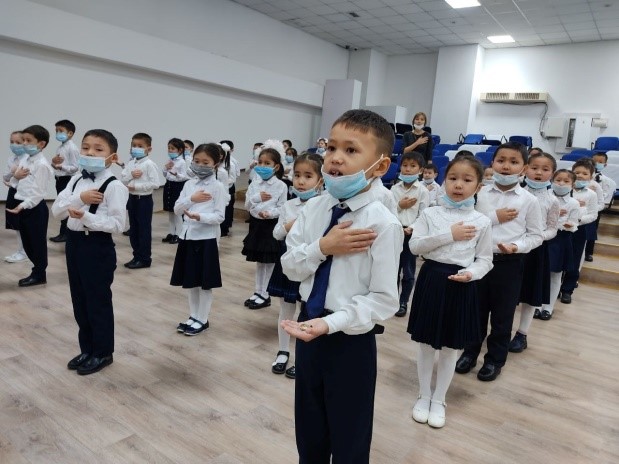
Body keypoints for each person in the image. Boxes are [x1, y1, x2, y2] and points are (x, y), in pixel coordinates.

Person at [280, 109, 403, 463]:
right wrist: (323, 247)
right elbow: (290, 267)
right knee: (310, 430)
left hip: (350, 340)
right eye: (331, 147)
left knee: (350, 437)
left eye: (351, 150)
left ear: (380, 166)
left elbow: (384, 300)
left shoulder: (383, 224)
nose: (335, 157)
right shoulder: (314, 209)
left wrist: (331, 323)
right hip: (308, 327)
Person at [408, 155, 492, 428]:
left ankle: (439, 399)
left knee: (449, 347)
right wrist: (449, 235)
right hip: (432, 278)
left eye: (467, 180)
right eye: (453, 178)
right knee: (425, 344)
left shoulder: (482, 221)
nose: (458, 185)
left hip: (461, 283)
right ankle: (424, 394)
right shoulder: (430, 213)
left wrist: (472, 274)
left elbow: (485, 259)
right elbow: (415, 246)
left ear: (478, 186)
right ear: (444, 180)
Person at [456, 142, 543, 382]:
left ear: (524, 168)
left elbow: (536, 235)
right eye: (501, 160)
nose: (506, 166)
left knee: (502, 316)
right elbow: (467, 221)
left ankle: (494, 359)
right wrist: (494, 217)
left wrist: (517, 246)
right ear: (492, 163)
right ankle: (469, 352)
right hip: (478, 260)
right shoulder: (479, 193)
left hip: (509, 263)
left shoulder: (529, 200)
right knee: (475, 311)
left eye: (514, 162)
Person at [51, 128, 128, 375]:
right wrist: (80, 199)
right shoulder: (76, 179)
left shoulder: (114, 186)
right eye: (85, 147)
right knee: (79, 300)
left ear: (112, 157)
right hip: (74, 243)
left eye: (98, 149)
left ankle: (103, 352)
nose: (90, 152)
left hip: (96, 246)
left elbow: (118, 225)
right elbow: (57, 211)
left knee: (97, 301)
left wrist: (86, 217)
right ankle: (87, 348)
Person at [268, 153, 323, 379]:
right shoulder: (289, 205)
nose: (301, 181)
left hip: (312, 263)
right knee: (286, 308)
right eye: (297, 175)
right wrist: (290, 225)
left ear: (320, 180)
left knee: (307, 311)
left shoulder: (323, 206)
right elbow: (276, 233)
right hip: (289, 260)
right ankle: (283, 351)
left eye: (308, 176)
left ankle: (303, 357)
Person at [171, 143, 227, 336]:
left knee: (204, 282)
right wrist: (191, 199)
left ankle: (202, 319)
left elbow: (220, 216)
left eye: (205, 162)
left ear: (215, 164)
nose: (200, 165)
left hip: (206, 239)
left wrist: (200, 217)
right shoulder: (189, 184)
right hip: (187, 236)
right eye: (196, 161)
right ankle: (193, 315)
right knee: (191, 280)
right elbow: (177, 209)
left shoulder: (218, 187)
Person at [509, 152, 559, 353]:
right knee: (509, 293)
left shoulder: (552, 200)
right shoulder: (516, 193)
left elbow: (552, 229)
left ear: (552, 173)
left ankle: (522, 334)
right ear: (525, 169)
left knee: (530, 294)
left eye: (545, 169)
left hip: (536, 251)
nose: (538, 173)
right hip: (513, 249)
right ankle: (501, 330)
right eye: (534, 168)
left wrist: (534, 237)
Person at [242, 143, 288, 309]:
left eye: (267, 163)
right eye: (260, 162)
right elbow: (248, 205)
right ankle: (258, 291)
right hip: (257, 225)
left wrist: (269, 213)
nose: (262, 166)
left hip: (271, 226)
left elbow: (283, 208)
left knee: (269, 263)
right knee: (259, 263)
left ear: (276, 166)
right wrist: (257, 200)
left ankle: (265, 294)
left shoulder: (281, 185)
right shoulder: (254, 183)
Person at [7, 125, 54, 287]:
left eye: (28, 140)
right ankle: (36, 271)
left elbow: (38, 192)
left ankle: (40, 274)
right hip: (23, 205)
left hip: (34, 208)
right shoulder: (25, 158)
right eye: (23, 140)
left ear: (41, 144)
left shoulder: (42, 165)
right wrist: (15, 178)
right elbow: (17, 181)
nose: (24, 144)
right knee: (27, 242)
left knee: (36, 243)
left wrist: (23, 205)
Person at [536, 169, 580, 320]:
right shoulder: (544, 197)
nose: (561, 184)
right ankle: (536, 305)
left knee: (556, 275)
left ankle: (548, 307)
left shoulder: (573, 203)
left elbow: (574, 223)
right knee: (540, 273)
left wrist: (569, 225)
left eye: (566, 181)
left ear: (573, 185)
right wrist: (553, 213)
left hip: (561, 240)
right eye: (558, 180)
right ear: (552, 181)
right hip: (544, 238)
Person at [390, 151, 429, 317]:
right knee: (393, 269)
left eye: (413, 166)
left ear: (420, 170)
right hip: (395, 231)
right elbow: (389, 211)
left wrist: (412, 227)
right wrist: (400, 205)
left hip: (411, 234)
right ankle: (391, 301)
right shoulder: (394, 189)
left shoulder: (423, 191)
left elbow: (423, 215)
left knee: (408, 270)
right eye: (405, 165)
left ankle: (403, 302)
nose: (407, 169)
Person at [558, 158, 598, 304]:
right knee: (558, 258)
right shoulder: (562, 189)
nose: (580, 175)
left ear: (591, 176)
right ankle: (555, 287)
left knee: (574, 260)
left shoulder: (591, 194)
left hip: (578, 230)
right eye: (577, 172)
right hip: (561, 229)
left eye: (585, 173)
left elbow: (593, 215)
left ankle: (567, 290)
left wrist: (577, 220)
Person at [121, 132, 159, 269]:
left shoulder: (149, 164)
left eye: (140, 146)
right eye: (134, 145)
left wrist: (137, 186)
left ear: (149, 149)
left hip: (144, 200)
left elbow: (155, 184)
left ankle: (144, 259)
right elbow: (123, 178)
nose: (136, 148)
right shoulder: (131, 163)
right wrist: (131, 175)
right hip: (132, 199)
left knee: (143, 230)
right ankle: (136, 256)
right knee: (134, 230)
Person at [50, 119, 80, 243]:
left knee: (65, 206)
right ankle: (63, 233)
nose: (58, 133)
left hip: (67, 179)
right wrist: (54, 163)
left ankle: (66, 234)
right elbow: (57, 164)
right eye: (56, 131)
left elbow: (75, 167)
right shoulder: (60, 147)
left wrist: (61, 167)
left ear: (70, 133)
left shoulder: (72, 148)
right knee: (61, 205)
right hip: (60, 179)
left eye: (61, 131)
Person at [584, 152, 617, 261]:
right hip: (581, 207)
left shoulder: (608, 181)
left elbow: (605, 197)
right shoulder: (582, 176)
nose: (597, 163)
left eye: (600, 162)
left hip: (595, 208)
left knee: (592, 230)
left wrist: (595, 204)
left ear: (605, 164)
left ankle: (588, 252)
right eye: (594, 161)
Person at [4, 131, 28, 263]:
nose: (14, 145)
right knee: (16, 225)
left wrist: (14, 175)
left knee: (24, 224)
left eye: (18, 142)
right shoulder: (11, 159)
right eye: (12, 142)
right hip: (13, 192)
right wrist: (13, 173)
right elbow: (6, 177)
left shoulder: (28, 159)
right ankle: (21, 251)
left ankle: (25, 252)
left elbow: (27, 180)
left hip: (24, 194)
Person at [162, 138, 189, 244]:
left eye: (172, 148)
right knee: (170, 212)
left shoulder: (182, 162)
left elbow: (185, 176)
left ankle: (178, 234)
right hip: (169, 185)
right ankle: (171, 232)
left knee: (177, 212)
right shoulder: (170, 160)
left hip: (177, 186)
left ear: (180, 150)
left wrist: (176, 174)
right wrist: (165, 168)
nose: (170, 150)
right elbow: (165, 174)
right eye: (169, 148)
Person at [219, 140, 240, 237]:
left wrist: (222, 182)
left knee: (227, 209)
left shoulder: (230, 164)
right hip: (219, 189)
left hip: (227, 188)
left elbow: (232, 178)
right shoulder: (217, 164)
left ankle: (224, 228)